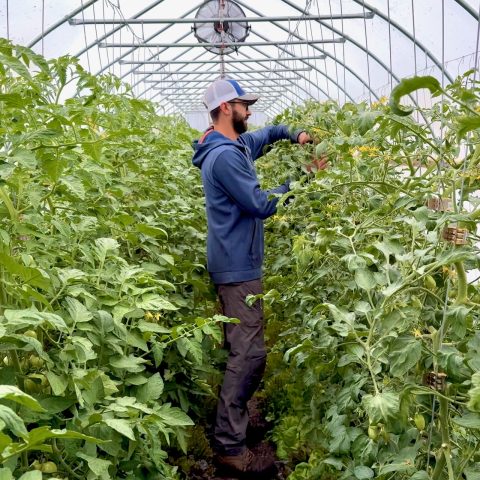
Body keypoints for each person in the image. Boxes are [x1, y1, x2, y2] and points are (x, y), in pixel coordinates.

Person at [192, 78, 322, 477]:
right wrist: (305, 178)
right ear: (227, 108)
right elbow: (262, 205)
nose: (249, 111)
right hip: (237, 269)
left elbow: (262, 136)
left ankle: (234, 429)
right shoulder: (226, 158)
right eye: (244, 105)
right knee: (247, 356)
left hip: (238, 264)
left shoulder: (230, 146)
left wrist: (292, 134)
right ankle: (230, 448)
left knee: (246, 353)